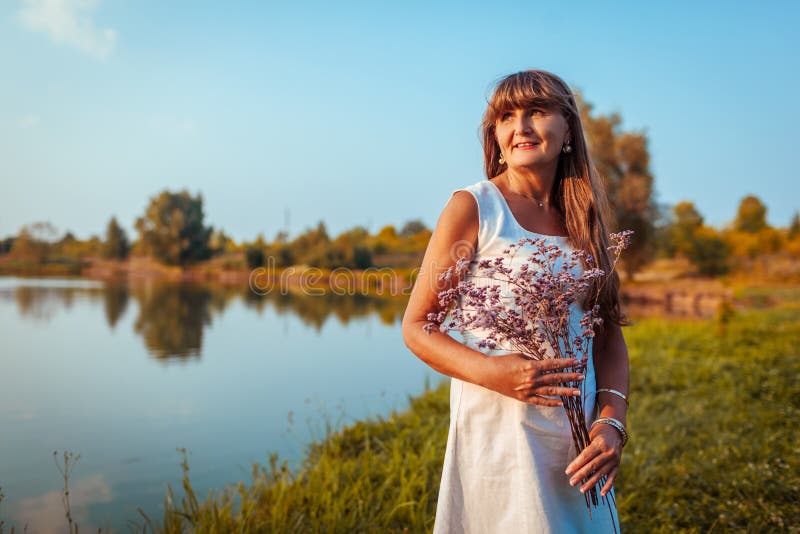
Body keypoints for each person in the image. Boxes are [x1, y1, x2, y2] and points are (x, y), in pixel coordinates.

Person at [401, 69, 630, 533]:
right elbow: (418, 326)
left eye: (536, 112)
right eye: (506, 116)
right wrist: (493, 372)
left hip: (578, 448)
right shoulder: (475, 208)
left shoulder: (584, 217)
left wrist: (612, 424)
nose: (520, 127)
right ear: (497, 136)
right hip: (501, 442)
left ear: (567, 128)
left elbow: (606, 339)